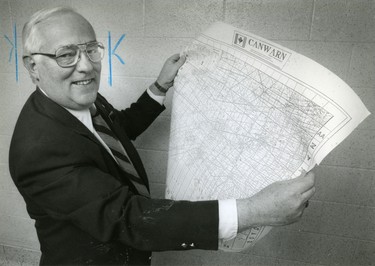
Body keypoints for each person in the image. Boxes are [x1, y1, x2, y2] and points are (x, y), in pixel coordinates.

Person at [8, 6, 316, 266]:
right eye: (66, 55)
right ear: (33, 66)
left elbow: (116, 133)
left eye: (91, 49)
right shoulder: (38, 148)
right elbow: (128, 218)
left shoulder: (79, 98)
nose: (86, 66)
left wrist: (159, 87)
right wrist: (253, 210)